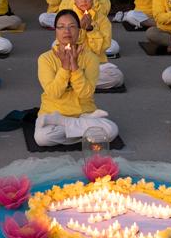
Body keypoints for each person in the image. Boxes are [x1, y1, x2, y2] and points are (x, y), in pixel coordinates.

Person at [34, 9, 119, 147]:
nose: (66, 31)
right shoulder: (45, 59)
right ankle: (83, 130)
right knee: (42, 138)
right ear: (55, 31)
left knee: (111, 130)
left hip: (82, 113)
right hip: (53, 112)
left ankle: (67, 124)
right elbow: (54, 93)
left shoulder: (90, 58)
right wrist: (64, 68)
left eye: (72, 26)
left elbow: (85, 93)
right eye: (61, 27)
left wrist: (75, 68)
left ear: (79, 31)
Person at [73, 0, 124, 90]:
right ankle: (79, 81)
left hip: (97, 64)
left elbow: (100, 48)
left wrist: (91, 29)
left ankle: (75, 83)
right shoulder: (69, 18)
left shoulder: (102, 19)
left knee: (117, 77)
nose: (83, 0)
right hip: (74, 64)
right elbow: (67, 45)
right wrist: (80, 30)